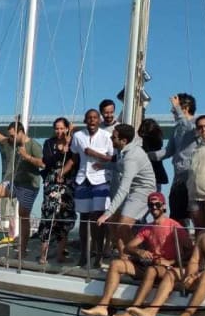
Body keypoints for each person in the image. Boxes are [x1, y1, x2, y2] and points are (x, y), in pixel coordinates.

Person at [80, 191, 191, 316]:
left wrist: (171, 261)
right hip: (150, 265)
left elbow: (191, 251)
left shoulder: (175, 227)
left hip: (164, 268)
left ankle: (130, 313)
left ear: (164, 206)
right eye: (151, 205)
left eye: (157, 205)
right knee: (116, 264)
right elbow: (128, 248)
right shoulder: (147, 228)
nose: (154, 208)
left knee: (151, 270)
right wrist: (140, 252)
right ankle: (103, 306)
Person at [0, 120, 44, 258]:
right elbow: (1, 138)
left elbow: (43, 163)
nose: (10, 138)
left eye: (12, 135)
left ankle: (23, 250)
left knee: (23, 216)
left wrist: (26, 156)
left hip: (30, 185)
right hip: (15, 183)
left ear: (21, 132)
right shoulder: (12, 142)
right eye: (10, 136)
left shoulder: (34, 145)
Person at [96, 123, 156, 255]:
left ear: (124, 141)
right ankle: (124, 258)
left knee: (122, 226)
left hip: (143, 191)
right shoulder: (125, 152)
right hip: (133, 191)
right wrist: (104, 166)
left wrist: (107, 213)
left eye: (114, 137)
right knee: (113, 223)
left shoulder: (131, 157)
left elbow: (123, 188)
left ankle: (140, 256)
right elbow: (119, 166)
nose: (111, 138)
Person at [70, 108, 114, 267]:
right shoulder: (77, 136)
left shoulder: (107, 136)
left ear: (99, 120)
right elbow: (74, 156)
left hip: (101, 180)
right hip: (82, 180)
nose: (92, 120)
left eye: (95, 118)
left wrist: (96, 155)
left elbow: (112, 158)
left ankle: (99, 255)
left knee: (98, 219)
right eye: (89, 118)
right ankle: (83, 253)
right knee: (84, 218)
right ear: (85, 120)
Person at [145, 93, 197, 224]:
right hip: (178, 177)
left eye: (174, 108)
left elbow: (187, 127)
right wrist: (145, 155)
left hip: (192, 177)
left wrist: (177, 107)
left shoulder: (197, 124)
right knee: (176, 216)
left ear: (185, 108)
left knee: (195, 217)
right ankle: (179, 243)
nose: (171, 110)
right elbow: (167, 152)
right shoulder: (177, 129)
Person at [36, 117, 77, 264]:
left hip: (68, 184)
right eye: (57, 128)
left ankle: (60, 254)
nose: (59, 131)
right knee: (48, 216)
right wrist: (61, 151)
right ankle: (43, 256)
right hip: (52, 183)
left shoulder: (73, 143)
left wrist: (69, 143)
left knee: (65, 218)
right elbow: (48, 161)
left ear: (67, 128)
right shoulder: (49, 143)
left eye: (62, 128)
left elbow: (75, 160)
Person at [138, 117, 168, 192]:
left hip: (145, 176)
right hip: (157, 175)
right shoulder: (158, 141)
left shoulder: (144, 142)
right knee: (155, 198)